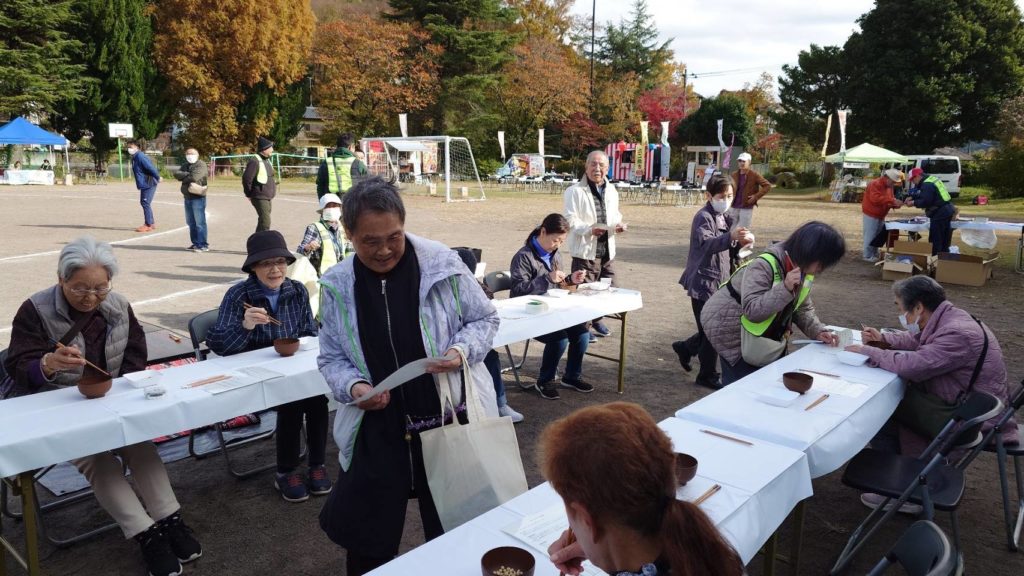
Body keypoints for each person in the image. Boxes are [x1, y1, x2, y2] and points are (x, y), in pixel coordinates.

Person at [316, 177, 499, 575]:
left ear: (404, 224)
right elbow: (330, 356)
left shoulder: (443, 266)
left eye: (393, 237)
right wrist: (354, 386)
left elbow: (485, 317)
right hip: (377, 423)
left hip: (446, 417)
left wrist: (460, 351)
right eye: (370, 241)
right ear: (348, 234)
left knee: (456, 526)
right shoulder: (337, 285)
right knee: (368, 539)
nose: (383, 250)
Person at [2, 237, 202, 576]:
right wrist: (48, 364)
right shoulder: (35, 310)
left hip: (110, 401)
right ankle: (146, 533)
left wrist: (122, 390)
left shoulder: (119, 306)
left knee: (140, 446)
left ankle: (170, 520)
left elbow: (136, 353)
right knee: (98, 459)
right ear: (61, 279)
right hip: (57, 408)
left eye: (101, 288)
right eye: (80, 289)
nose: (91, 298)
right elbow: (18, 365)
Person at [543, 402, 744, 576]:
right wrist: (604, 549)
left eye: (574, 523)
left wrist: (602, 546)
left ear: (587, 520)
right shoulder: (699, 554)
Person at [205, 230, 329, 503]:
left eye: (280, 262)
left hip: (291, 368)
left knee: (318, 399)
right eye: (266, 264)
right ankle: (285, 472)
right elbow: (220, 346)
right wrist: (245, 325)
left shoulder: (295, 290)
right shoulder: (239, 295)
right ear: (253, 267)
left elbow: (310, 330)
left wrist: (306, 344)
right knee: (292, 403)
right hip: (253, 375)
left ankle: (316, 465)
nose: (275, 270)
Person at [701, 221, 845, 385]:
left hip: (757, 332)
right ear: (809, 252)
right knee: (742, 386)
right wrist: (785, 288)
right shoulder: (764, 265)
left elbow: (802, 308)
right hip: (727, 326)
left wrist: (817, 331)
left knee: (765, 379)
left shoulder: (802, 268)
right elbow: (752, 311)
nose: (822, 269)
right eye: (822, 262)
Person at [672, 174, 754, 389]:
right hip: (703, 282)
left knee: (710, 329)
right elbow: (708, 244)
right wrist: (732, 237)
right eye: (721, 196)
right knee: (712, 331)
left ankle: (686, 348)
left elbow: (728, 247)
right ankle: (707, 374)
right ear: (709, 195)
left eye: (729, 195)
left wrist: (741, 242)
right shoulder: (703, 217)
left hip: (720, 281)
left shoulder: (725, 217)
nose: (725, 200)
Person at [510, 213, 591, 400]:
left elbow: (558, 285)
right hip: (529, 314)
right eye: (556, 240)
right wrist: (547, 278)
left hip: (552, 311)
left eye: (562, 241)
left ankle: (571, 377)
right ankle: (544, 381)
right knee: (559, 339)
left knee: (582, 333)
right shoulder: (523, 256)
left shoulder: (555, 254)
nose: (558, 245)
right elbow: (518, 291)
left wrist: (570, 279)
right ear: (543, 232)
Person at [453, 247, 524, 422]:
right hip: (447, 347)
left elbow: (486, 304)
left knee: (490, 354)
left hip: (464, 343)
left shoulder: (471, 283)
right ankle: (494, 405)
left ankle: (499, 404)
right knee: (488, 357)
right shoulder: (442, 285)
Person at [564, 150, 627, 340]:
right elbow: (569, 220)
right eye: (593, 164)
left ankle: (597, 319)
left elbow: (615, 214)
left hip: (607, 250)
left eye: (601, 165)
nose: (597, 168)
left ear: (607, 168)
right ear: (586, 166)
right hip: (585, 252)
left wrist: (618, 225)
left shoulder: (612, 190)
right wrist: (589, 230)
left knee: (610, 288)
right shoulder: (574, 191)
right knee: (584, 291)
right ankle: (583, 328)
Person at [297, 193, 351, 277]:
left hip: (343, 274)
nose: (333, 208)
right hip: (323, 277)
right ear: (322, 210)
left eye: (335, 206)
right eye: (329, 206)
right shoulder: (314, 228)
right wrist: (308, 247)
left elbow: (349, 249)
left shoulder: (342, 226)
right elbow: (300, 252)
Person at [904, 167, 955, 255]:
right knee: (945, 239)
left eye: (912, 179)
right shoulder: (931, 179)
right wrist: (913, 197)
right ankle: (944, 261)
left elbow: (926, 201)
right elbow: (926, 193)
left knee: (936, 239)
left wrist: (913, 202)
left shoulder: (927, 184)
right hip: (947, 210)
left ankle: (936, 261)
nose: (912, 182)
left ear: (917, 176)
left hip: (940, 213)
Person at [861, 169, 903, 262]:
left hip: (880, 214)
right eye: (893, 182)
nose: (893, 184)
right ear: (887, 178)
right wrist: (892, 201)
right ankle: (867, 255)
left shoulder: (889, 186)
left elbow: (889, 199)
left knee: (878, 235)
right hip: (871, 213)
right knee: (870, 235)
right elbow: (875, 199)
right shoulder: (875, 184)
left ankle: (874, 253)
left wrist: (895, 204)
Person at [173, 147, 209, 252]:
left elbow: (194, 177)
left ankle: (203, 244)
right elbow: (176, 174)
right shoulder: (185, 165)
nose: (190, 155)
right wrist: (187, 175)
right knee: (191, 222)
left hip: (198, 196)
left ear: (197, 155)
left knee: (200, 222)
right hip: (187, 196)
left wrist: (184, 176)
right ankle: (195, 243)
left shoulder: (201, 164)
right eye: (188, 154)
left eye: (192, 153)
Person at [316, 133, 368, 199]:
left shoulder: (326, 163)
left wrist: (323, 203)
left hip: (330, 203)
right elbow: (368, 185)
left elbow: (320, 186)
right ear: (351, 147)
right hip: (352, 204)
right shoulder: (358, 163)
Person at [242, 136, 276, 232]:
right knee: (265, 222)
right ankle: (261, 242)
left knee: (263, 220)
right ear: (264, 149)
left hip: (267, 196)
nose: (272, 149)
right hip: (259, 196)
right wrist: (248, 194)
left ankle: (257, 241)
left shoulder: (266, 160)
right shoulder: (255, 161)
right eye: (270, 148)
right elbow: (246, 178)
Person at [127, 140, 162, 232]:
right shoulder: (135, 157)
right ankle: (151, 223)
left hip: (149, 183)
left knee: (145, 203)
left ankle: (148, 224)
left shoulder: (140, 156)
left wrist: (158, 177)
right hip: (145, 183)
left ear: (137, 147)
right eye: (128, 147)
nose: (129, 149)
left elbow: (150, 167)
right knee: (145, 203)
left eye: (131, 147)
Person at [730, 152, 771, 229]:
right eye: (739, 161)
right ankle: (729, 241)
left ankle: (740, 242)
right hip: (733, 205)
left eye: (744, 161)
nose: (741, 163)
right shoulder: (734, 174)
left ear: (749, 162)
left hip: (746, 206)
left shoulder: (754, 175)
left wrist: (756, 197)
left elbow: (767, 186)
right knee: (729, 228)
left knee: (743, 229)